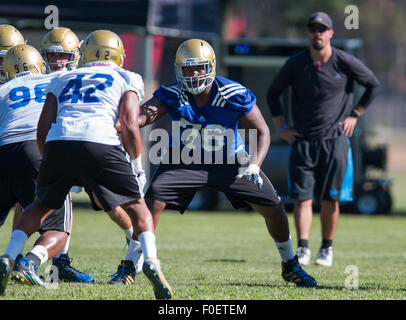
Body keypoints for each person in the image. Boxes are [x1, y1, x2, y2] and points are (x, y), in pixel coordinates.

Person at [0, 30, 172, 299]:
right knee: (138, 206)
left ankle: (11, 256)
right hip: (99, 142)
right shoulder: (126, 76)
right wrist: (137, 167)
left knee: (38, 206)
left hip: (56, 144)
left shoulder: (63, 78)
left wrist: (48, 161)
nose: (57, 61)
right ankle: (149, 260)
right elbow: (128, 125)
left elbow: (43, 128)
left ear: (82, 55)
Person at [136, 38, 317, 289]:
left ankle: (290, 264)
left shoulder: (232, 93)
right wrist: (124, 117)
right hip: (185, 159)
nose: (192, 74)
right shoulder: (173, 93)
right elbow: (142, 116)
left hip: (230, 161)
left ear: (210, 67)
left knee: (274, 207)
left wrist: (254, 165)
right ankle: (132, 263)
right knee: (151, 201)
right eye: (186, 69)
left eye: (197, 68)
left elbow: (262, 131)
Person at [266, 12, 380, 267]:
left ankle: (326, 249)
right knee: (302, 197)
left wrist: (355, 115)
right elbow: (273, 93)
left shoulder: (344, 61)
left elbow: (373, 84)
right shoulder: (296, 64)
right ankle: (303, 248)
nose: (317, 33)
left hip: (335, 141)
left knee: (330, 198)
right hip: (303, 141)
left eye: (322, 29)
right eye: (313, 29)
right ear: (309, 33)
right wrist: (281, 127)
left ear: (330, 33)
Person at [0, 44, 78, 289]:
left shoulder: (3, 89)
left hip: (3, 149)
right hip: (36, 148)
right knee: (57, 229)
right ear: (40, 64)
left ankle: (10, 257)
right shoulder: (55, 78)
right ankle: (29, 263)